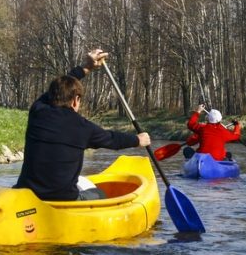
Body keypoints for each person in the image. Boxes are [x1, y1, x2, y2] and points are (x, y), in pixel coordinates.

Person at [14, 49, 151, 201]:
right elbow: (112, 139)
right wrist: (138, 140)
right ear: (75, 100)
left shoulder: (38, 111)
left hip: (27, 194)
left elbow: (55, 91)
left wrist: (86, 67)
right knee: (100, 194)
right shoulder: (84, 128)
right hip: (63, 199)